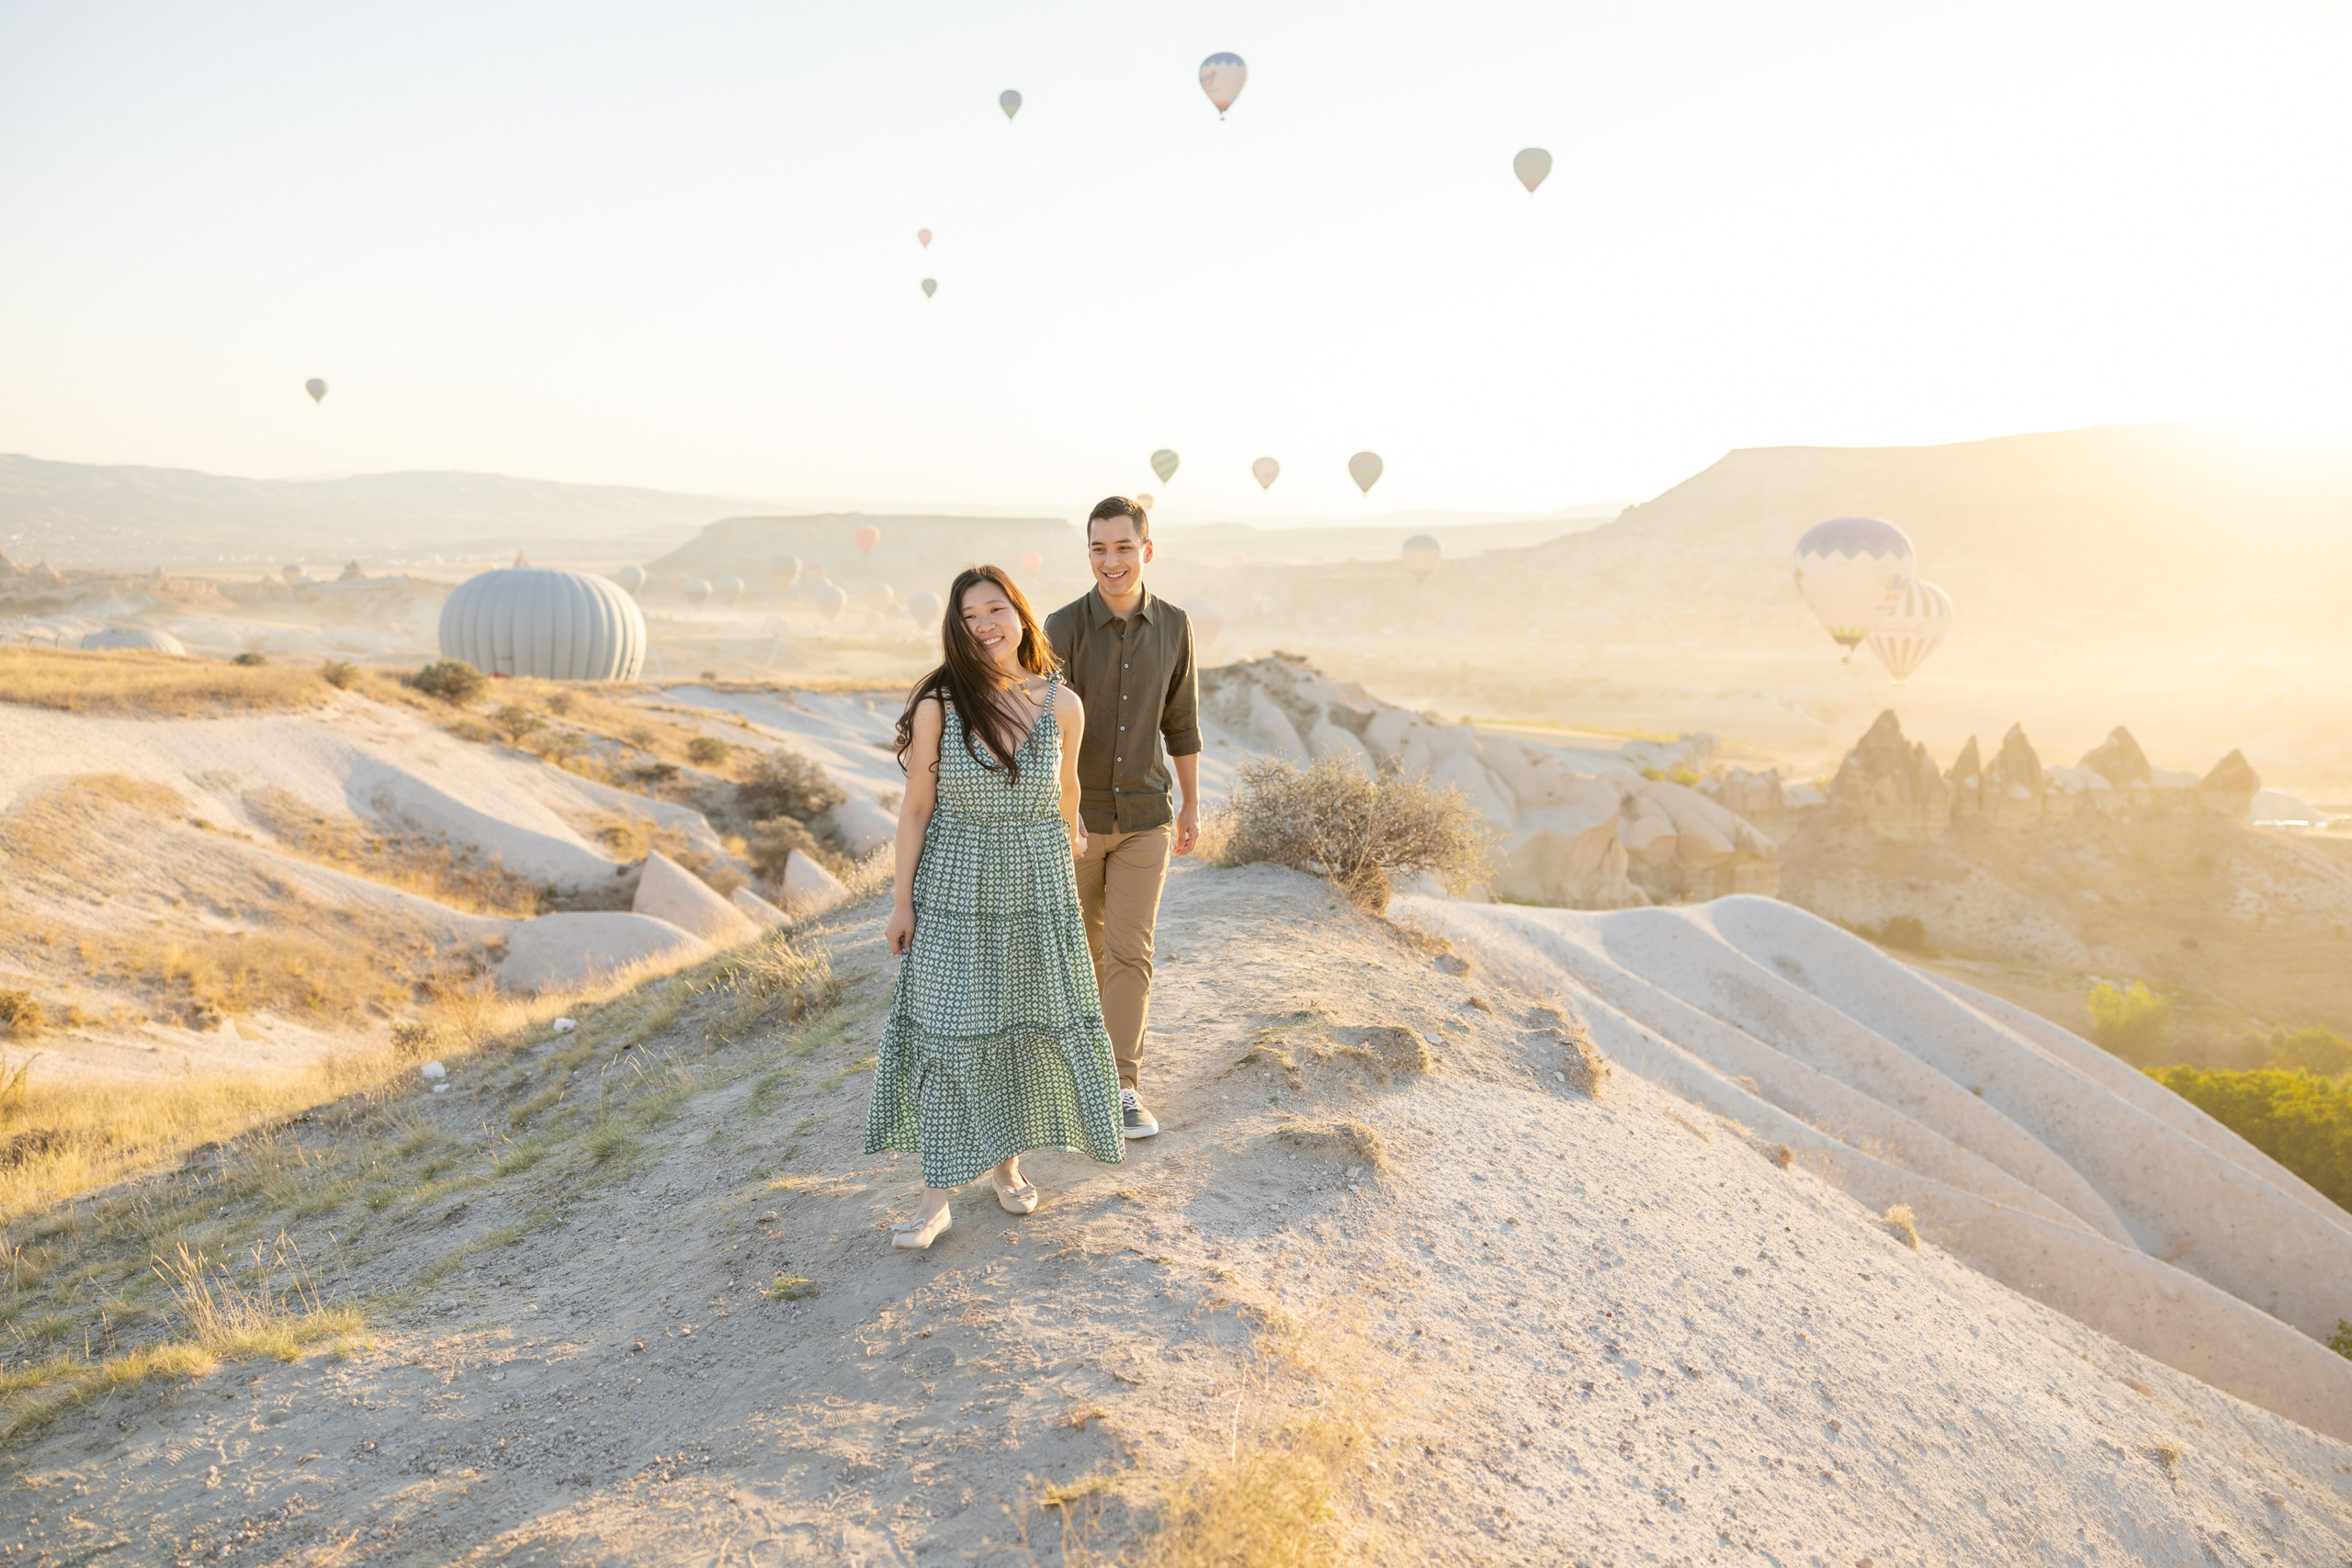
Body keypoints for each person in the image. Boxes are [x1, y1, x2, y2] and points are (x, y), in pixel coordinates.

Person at [864, 565, 1125, 1251]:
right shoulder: (940, 707)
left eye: (994, 609)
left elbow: (1068, 793)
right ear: (956, 627)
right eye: (969, 615)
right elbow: (916, 811)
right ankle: (934, 1198)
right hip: (953, 888)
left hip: (1034, 890)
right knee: (951, 1031)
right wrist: (901, 903)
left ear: (1021, 614)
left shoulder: (1062, 704)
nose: (983, 624)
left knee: (1014, 1023)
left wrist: (1069, 840)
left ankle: (1008, 1167)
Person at [1044, 496, 1202, 1142]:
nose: (1111, 561)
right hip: (1073, 822)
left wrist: (1191, 802)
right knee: (1076, 954)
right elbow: (1041, 729)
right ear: (1088, 553)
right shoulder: (1060, 626)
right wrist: (1056, 815)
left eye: (1123, 547)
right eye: (1098, 549)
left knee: (1128, 949)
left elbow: (1181, 720)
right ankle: (1071, 1077)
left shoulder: (1175, 625)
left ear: (1147, 550)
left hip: (1144, 816)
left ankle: (1120, 1085)